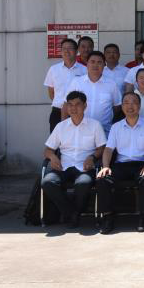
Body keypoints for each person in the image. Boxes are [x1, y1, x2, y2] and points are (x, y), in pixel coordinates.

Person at [41, 90, 106, 229]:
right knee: (47, 182)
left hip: (84, 167)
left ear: (85, 106)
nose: (73, 108)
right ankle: (71, 213)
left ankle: (71, 214)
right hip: (63, 166)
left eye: (77, 104)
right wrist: (52, 156)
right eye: (70, 105)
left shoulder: (95, 125)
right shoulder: (61, 126)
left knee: (83, 183)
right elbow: (47, 150)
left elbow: (102, 148)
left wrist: (93, 157)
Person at [96, 92, 144, 234]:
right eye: (126, 103)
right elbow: (108, 150)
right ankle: (108, 217)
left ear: (139, 106)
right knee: (102, 178)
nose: (130, 106)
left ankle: (143, 217)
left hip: (141, 163)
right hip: (121, 164)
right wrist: (105, 167)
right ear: (122, 106)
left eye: (134, 102)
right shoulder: (116, 127)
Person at [65, 51, 121, 135]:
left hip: (104, 131)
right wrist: (64, 128)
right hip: (79, 130)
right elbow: (66, 104)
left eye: (99, 62)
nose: (95, 65)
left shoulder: (112, 84)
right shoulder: (77, 82)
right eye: (92, 62)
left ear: (104, 65)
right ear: (87, 64)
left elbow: (117, 106)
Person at [43, 38, 85, 133]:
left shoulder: (84, 70)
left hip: (77, 112)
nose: (66, 51)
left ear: (76, 51)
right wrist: (62, 104)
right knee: (57, 140)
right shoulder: (54, 69)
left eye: (70, 48)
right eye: (64, 48)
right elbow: (51, 93)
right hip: (57, 112)